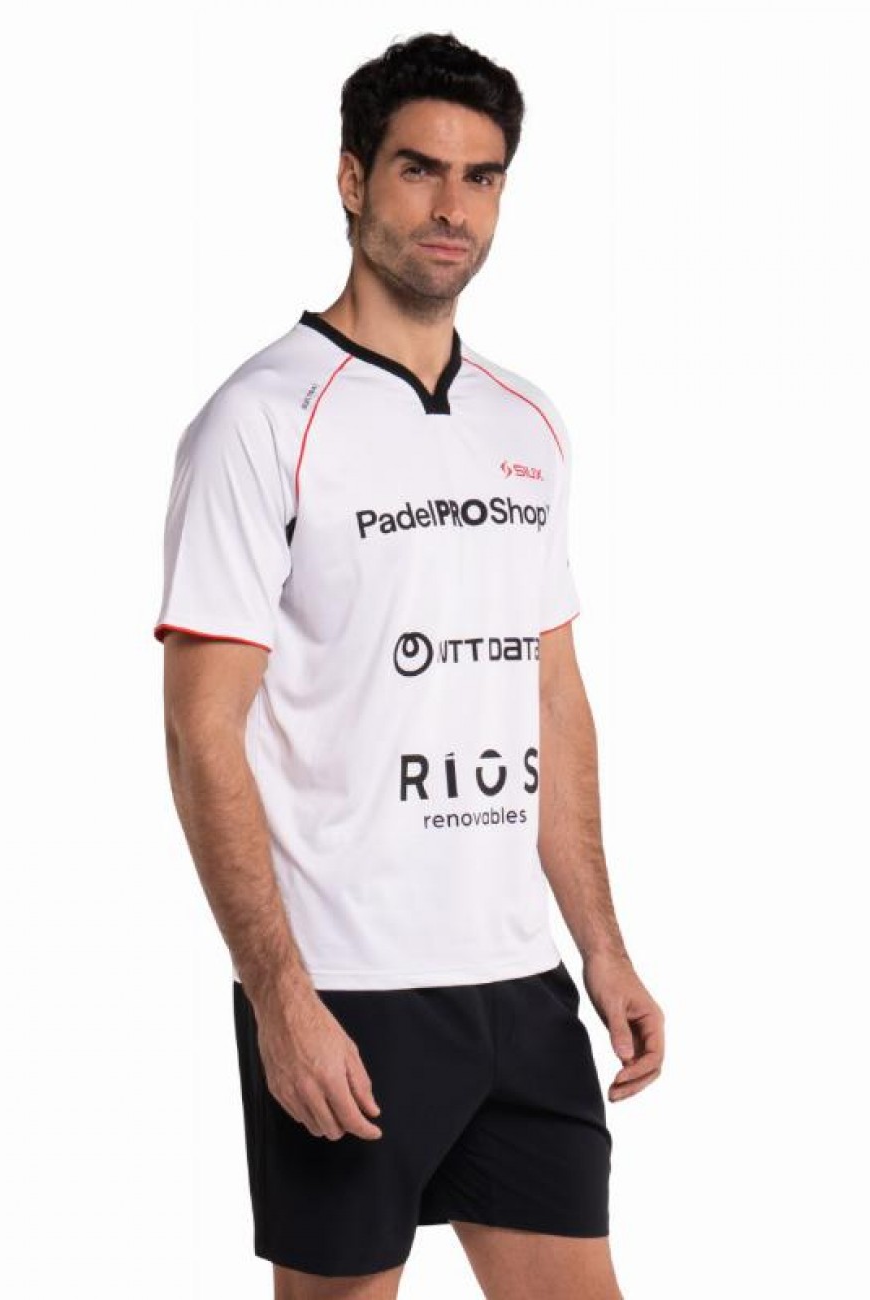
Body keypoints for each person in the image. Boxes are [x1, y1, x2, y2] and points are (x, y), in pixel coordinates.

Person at [154, 30, 664, 1300]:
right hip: (349, 986)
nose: (452, 207)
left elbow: (551, 698)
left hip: (520, 985)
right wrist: (278, 996)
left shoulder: (526, 422)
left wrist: (600, 948)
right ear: (352, 179)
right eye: (419, 169)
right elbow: (201, 732)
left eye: (481, 177)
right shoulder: (260, 420)